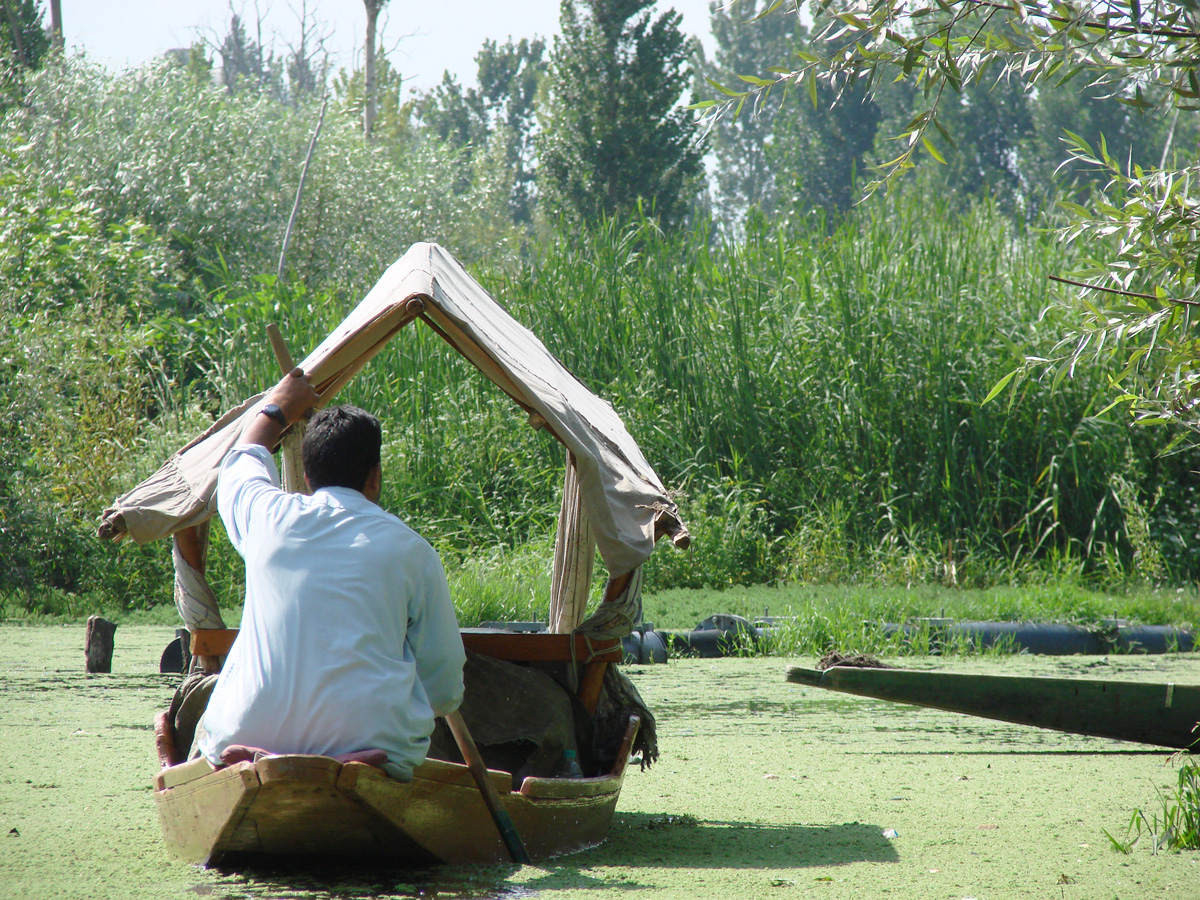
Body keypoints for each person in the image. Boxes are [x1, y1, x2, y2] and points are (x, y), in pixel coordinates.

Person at [196, 368, 466, 782]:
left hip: (243, 740)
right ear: (374, 475)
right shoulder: (413, 551)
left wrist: (279, 407)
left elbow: (242, 459)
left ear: (307, 478)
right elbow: (444, 689)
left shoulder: (267, 518)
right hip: (375, 752)